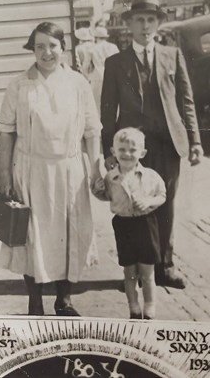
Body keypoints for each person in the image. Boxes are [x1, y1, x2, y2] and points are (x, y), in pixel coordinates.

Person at [0, 21, 102, 316]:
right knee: (33, 236)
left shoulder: (78, 84)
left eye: (52, 46)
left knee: (68, 232)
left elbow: (92, 131)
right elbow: (5, 132)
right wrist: (4, 173)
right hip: (31, 170)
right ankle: (35, 302)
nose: (46, 53)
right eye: (39, 46)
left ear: (63, 48)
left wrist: (95, 173)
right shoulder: (19, 85)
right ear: (33, 50)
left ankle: (64, 300)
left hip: (69, 170)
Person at [101, 0, 203, 289]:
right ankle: (135, 271)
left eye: (150, 20)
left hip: (168, 145)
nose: (145, 26)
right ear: (129, 25)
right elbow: (107, 111)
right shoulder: (115, 63)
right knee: (133, 205)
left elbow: (186, 102)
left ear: (158, 24)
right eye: (139, 20)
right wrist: (108, 150)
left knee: (165, 204)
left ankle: (164, 267)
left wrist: (195, 141)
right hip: (132, 150)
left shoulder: (172, 56)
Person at [92, 128, 166, 319]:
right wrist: (98, 190)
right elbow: (106, 197)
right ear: (113, 151)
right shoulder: (111, 178)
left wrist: (149, 202)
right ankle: (133, 307)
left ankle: (150, 307)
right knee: (129, 271)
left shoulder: (150, 176)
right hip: (123, 225)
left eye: (132, 150)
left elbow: (162, 196)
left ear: (142, 153)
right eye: (122, 149)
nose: (126, 154)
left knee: (147, 271)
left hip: (146, 224)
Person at [87, 26, 119, 114]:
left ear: (96, 37)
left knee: (97, 105)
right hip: (112, 78)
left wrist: (87, 77)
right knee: (113, 103)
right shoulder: (113, 47)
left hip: (97, 78)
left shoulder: (92, 49)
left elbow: (85, 67)